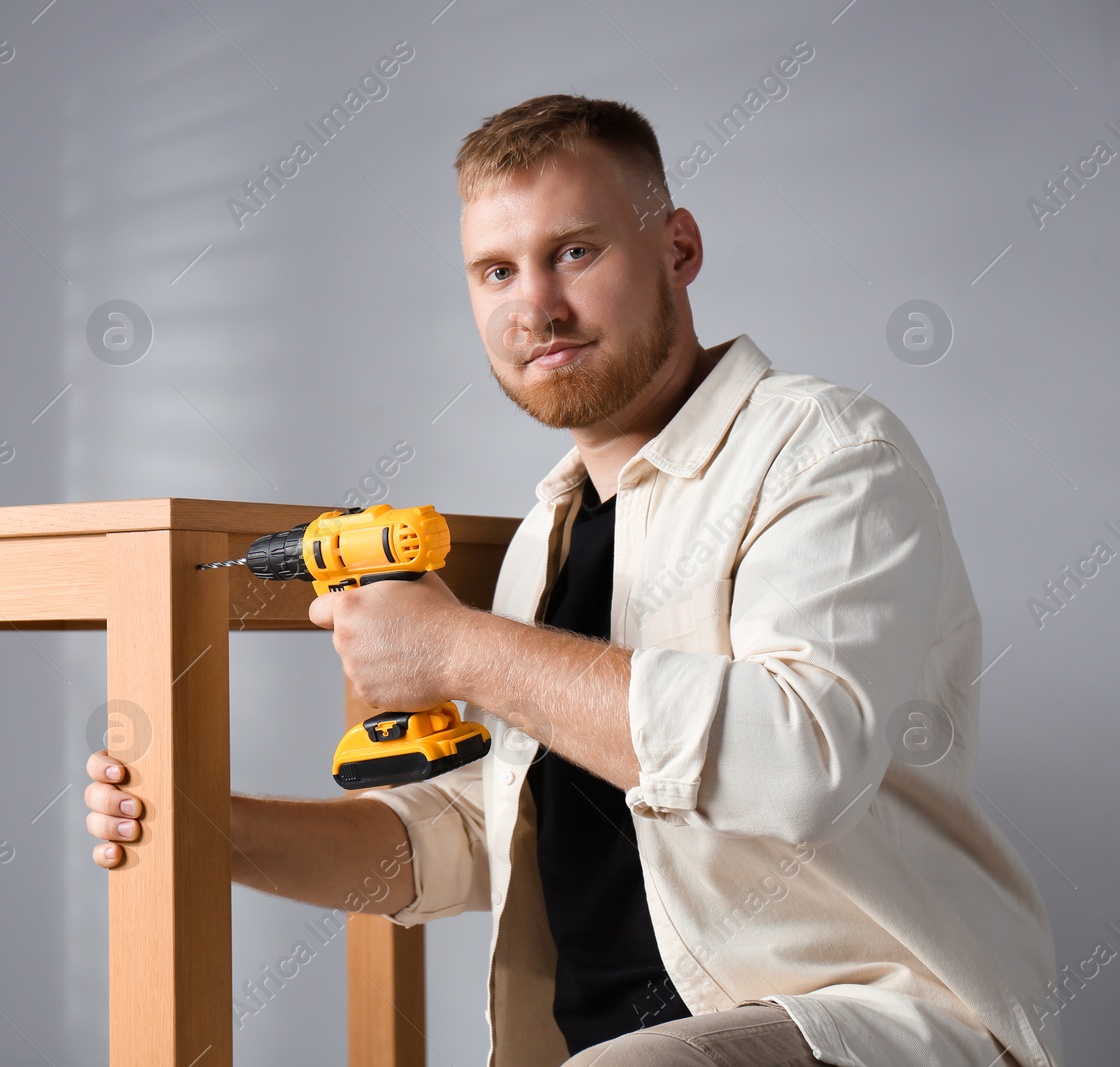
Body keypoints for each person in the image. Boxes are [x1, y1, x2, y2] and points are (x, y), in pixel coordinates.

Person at [83, 95, 1062, 1067]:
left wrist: (459, 646)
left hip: (866, 1028)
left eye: (575, 252)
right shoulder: (547, 532)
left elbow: (798, 753)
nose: (536, 306)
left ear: (677, 247)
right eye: (496, 270)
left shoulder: (823, 452)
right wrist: (219, 833)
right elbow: (476, 833)